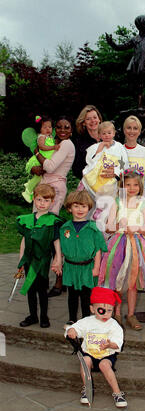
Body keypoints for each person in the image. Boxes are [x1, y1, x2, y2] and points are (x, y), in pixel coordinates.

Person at [98, 169, 145, 330]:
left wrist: (136, 227)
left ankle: (131, 314)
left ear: (140, 186)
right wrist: (119, 225)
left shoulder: (143, 203)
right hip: (119, 244)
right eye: (127, 185)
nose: (131, 188)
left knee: (132, 281)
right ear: (122, 186)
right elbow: (109, 227)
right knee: (118, 279)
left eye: (135, 185)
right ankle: (116, 313)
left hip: (137, 244)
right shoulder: (117, 202)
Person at [32, 115, 75, 297]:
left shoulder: (66, 145)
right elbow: (42, 167)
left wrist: (36, 153)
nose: (62, 130)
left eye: (66, 127)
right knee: (40, 231)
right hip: (44, 187)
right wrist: (35, 167)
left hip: (55, 189)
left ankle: (58, 279)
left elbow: (49, 166)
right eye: (59, 127)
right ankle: (46, 276)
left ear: (71, 130)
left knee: (50, 233)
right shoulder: (53, 143)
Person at [64, 286, 127, 408]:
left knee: (104, 365)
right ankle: (87, 389)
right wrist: (71, 331)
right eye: (102, 310)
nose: (106, 314)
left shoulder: (113, 325)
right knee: (85, 361)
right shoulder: (87, 321)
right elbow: (75, 328)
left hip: (106, 355)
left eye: (110, 311)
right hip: (89, 354)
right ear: (92, 309)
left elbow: (118, 343)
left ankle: (117, 392)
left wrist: (110, 344)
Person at [56, 190, 108, 324]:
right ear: (69, 208)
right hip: (70, 267)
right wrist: (57, 262)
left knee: (86, 296)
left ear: (89, 208)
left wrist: (96, 267)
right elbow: (60, 248)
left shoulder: (93, 228)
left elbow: (98, 250)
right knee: (72, 295)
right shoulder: (65, 228)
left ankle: (87, 320)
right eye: (76, 206)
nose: (80, 209)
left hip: (87, 268)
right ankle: (72, 319)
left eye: (84, 206)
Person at [17, 184, 62, 328]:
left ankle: (43, 316)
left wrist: (58, 259)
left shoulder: (53, 221)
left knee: (42, 289)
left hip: (42, 260)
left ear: (52, 202)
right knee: (30, 288)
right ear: (34, 200)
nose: (42, 204)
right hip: (28, 259)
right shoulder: (26, 219)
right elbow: (24, 240)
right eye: (39, 200)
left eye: (46, 200)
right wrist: (21, 258)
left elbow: (56, 242)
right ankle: (33, 315)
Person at [106, 15, 145, 107]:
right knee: (139, 85)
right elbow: (121, 47)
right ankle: (140, 104)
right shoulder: (135, 39)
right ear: (139, 26)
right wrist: (111, 43)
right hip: (138, 64)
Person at [22, 115, 60, 203]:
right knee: (38, 178)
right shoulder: (41, 137)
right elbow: (42, 147)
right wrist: (53, 147)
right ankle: (28, 190)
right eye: (45, 127)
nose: (48, 129)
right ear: (40, 129)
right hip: (38, 161)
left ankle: (30, 185)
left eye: (50, 127)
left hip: (44, 160)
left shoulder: (50, 137)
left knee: (40, 178)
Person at [123, 115, 145, 188]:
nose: (132, 131)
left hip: (141, 197)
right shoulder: (117, 151)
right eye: (129, 128)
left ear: (139, 131)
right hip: (121, 196)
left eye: (135, 128)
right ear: (124, 130)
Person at [72, 105, 103, 180]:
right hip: (90, 182)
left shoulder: (109, 137)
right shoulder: (79, 143)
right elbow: (76, 169)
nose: (93, 121)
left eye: (95, 118)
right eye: (88, 119)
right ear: (83, 123)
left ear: (99, 119)